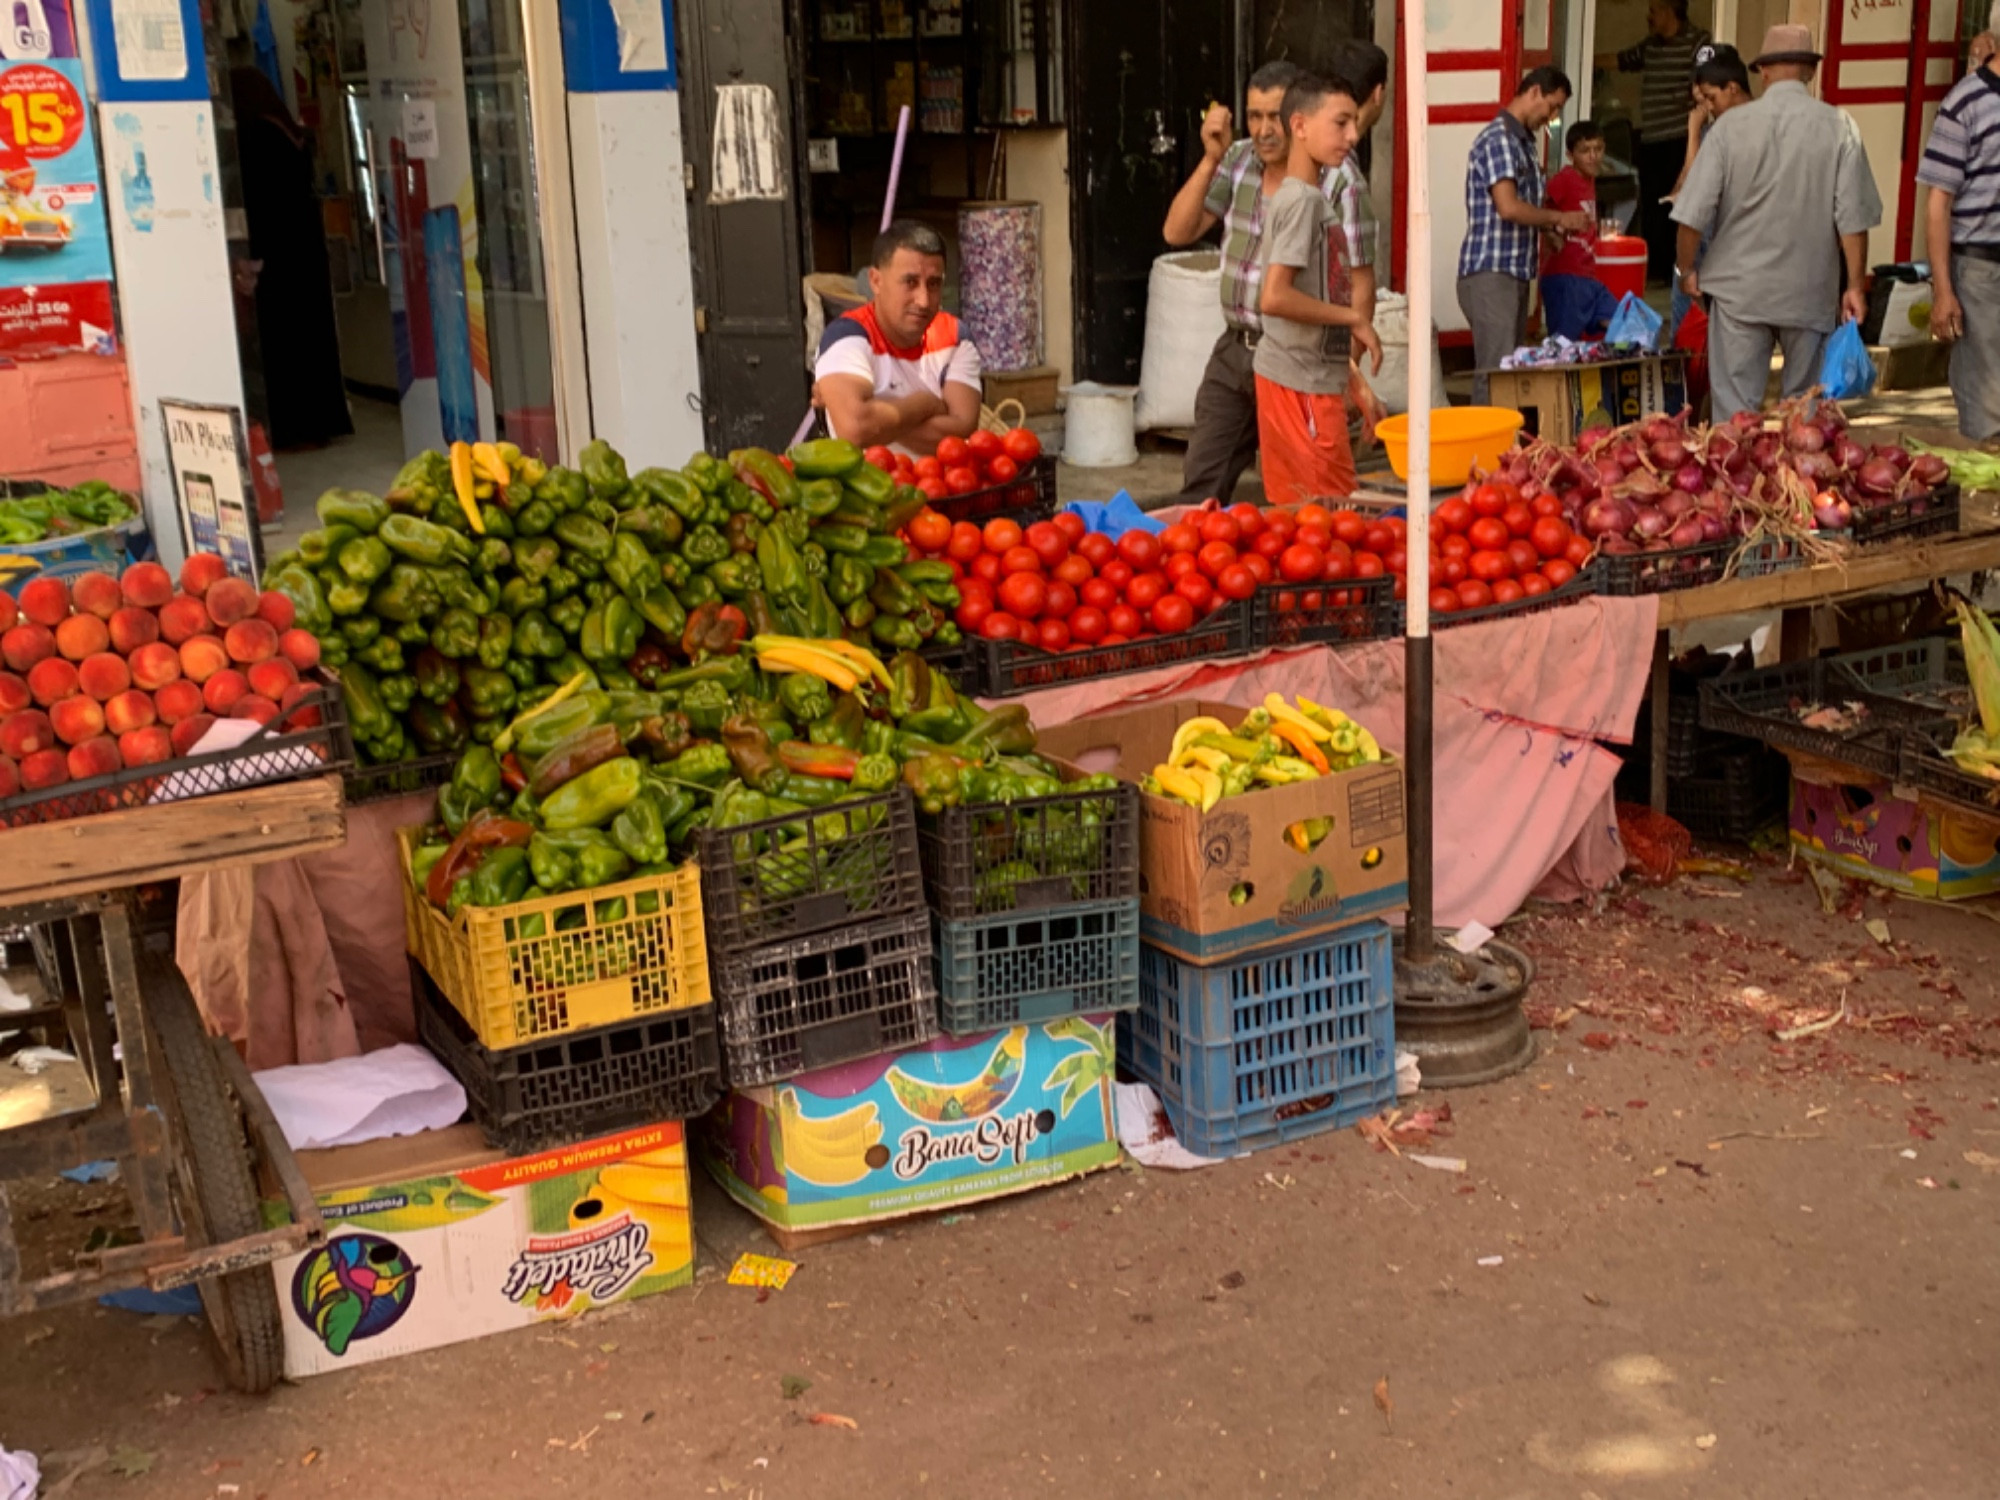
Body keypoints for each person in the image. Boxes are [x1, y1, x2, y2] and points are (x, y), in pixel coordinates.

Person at [1671, 25, 1882, 420]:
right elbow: (1853, 220)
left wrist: (1688, 271)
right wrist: (1854, 286)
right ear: (1811, 73)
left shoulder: (1729, 128)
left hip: (1738, 294)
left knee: (1735, 418)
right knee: (1804, 416)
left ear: (1763, 72)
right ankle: (1799, 480)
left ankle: (1735, 480)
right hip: (1808, 290)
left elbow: (1690, 216)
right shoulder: (1840, 127)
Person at [1163, 61, 1338, 504]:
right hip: (1235, 349)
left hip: (1295, 353)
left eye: (1274, 116)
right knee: (1201, 485)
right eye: (1254, 116)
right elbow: (1177, 232)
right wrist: (1210, 158)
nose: (1263, 130)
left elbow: (1348, 279)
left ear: (1298, 118)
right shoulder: (1239, 159)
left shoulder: (1332, 177)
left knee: (1303, 494)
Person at [1253, 73, 1383, 507]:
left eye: (1354, 124)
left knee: (1313, 521)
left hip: (1310, 381)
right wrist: (1354, 318)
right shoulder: (1302, 203)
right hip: (1298, 388)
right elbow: (1275, 297)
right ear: (1300, 126)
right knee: (1325, 521)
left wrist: (1351, 380)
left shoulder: (1308, 198)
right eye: (1340, 123)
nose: (1351, 136)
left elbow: (1314, 303)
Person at [230, 67, 352, 451]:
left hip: (277, 254)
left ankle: (292, 428)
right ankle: (322, 422)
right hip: (305, 249)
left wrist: (252, 255)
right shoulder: (291, 132)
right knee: (312, 335)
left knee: (284, 341)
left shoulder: (253, 136)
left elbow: (260, 202)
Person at [1458, 68, 1591, 404]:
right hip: (1491, 271)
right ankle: (1481, 453)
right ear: (1533, 92)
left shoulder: (1524, 144)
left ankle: (1501, 451)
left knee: (1509, 373)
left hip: (1513, 272)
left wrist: (1550, 227)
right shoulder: (1499, 139)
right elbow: (1509, 207)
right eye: (1552, 105)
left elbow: (1525, 209)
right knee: (1495, 378)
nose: (1553, 116)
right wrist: (1559, 216)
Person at [812, 220, 982, 455]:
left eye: (933, 284)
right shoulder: (847, 335)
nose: (923, 300)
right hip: (867, 488)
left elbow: (962, 430)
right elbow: (856, 429)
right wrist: (926, 404)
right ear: (876, 281)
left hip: (942, 488)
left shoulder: (955, 336)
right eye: (910, 282)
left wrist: (874, 415)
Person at [1919, 1, 2000, 439]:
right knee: (1988, 415)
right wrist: (1943, 290)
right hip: (1980, 272)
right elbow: (1938, 201)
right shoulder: (1965, 102)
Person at [1599, 0, 1711, 284]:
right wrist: (1579, 57)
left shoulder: (1697, 43)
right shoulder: (1650, 46)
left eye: (1654, 11)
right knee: (1652, 206)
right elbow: (1621, 60)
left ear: (1670, 11)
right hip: (1651, 139)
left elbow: (1705, 82)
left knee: (1678, 207)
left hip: (1680, 139)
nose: (1649, 17)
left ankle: (1675, 270)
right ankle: (1657, 271)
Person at [1667, 43, 1753, 340]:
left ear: (1731, 87)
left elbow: (1691, 196)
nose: (1702, 99)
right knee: (1687, 328)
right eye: (1698, 90)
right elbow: (1684, 191)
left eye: (1708, 94)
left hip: (1732, 254)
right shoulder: (1710, 129)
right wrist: (1694, 133)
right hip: (1703, 242)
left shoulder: (1747, 129)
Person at [1327, 39, 1390, 439]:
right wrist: (1349, 372)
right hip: (1323, 342)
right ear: (1378, 94)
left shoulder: (1304, 158)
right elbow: (1360, 281)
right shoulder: (1347, 177)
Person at [1539, 122, 1619, 340]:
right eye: (1585, 151)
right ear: (1569, 154)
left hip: (1586, 276)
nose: (1593, 156)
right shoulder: (1565, 179)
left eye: (1598, 149)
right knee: (1562, 344)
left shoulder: (1590, 180)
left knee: (1621, 322)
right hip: (1564, 276)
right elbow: (1539, 209)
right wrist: (1552, 233)